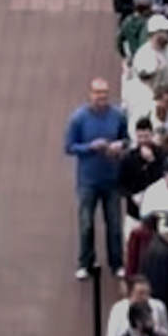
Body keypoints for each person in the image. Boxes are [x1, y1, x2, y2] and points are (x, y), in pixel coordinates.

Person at [63, 78, 129, 283]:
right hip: (88, 181)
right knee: (86, 224)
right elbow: (69, 147)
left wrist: (119, 146)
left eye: (104, 94)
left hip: (112, 179)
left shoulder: (118, 115)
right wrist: (90, 147)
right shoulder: (78, 118)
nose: (101, 98)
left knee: (114, 224)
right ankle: (85, 263)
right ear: (90, 94)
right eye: (98, 93)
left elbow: (126, 139)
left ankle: (117, 263)